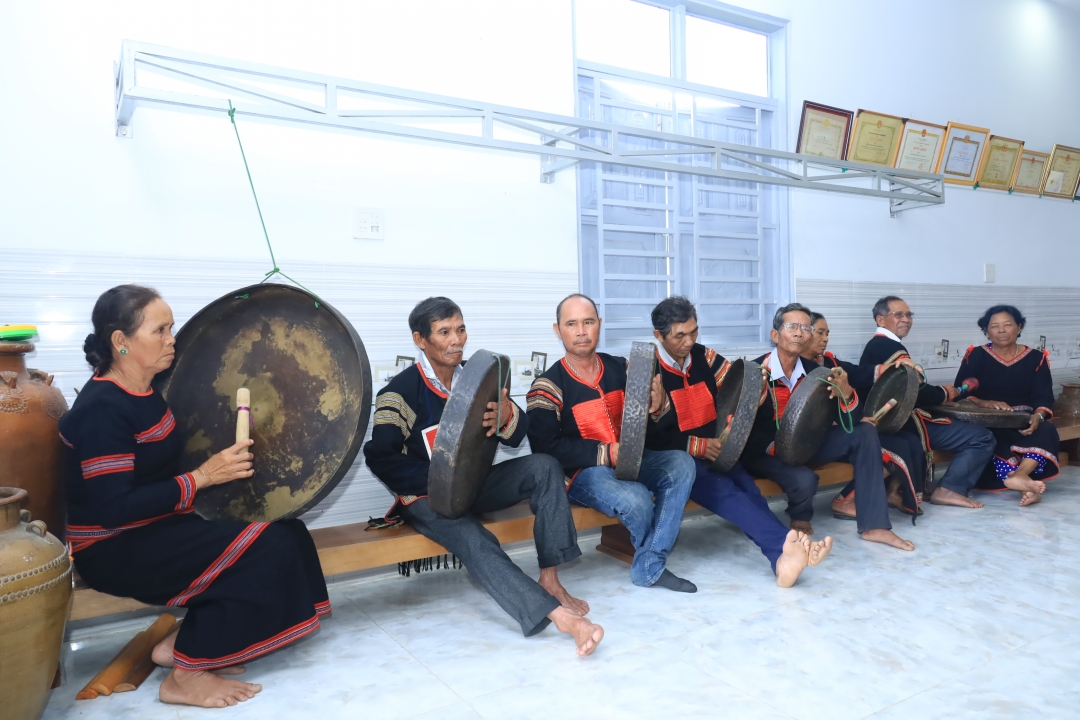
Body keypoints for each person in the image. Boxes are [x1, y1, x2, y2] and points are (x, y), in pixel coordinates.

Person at [61, 285, 329, 708]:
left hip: (156, 528)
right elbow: (114, 508)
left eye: (171, 327)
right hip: (114, 548)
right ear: (121, 342)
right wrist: (203, 477)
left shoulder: (147, 391)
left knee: (288, 530)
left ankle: (184, 645)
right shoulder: (102, 409)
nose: (173, 338)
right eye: (161, 330)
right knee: (267, 549)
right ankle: (185, 676)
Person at [363, 297, 603, 656]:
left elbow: (519, 436)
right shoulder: (398, 394)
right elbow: (379, 457)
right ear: (420, 340)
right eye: (444, 332)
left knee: (544, 466)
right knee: (474, 537)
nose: (457, 339)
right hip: (427, 497)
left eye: (460, 329)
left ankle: (550, 579)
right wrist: (440, 479)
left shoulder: (477, 380)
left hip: (474, 483)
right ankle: (561, 619)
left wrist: (507, 416)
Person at [645, 297, 832, 587]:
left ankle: (781, 561)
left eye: (694, 332)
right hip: (678, 461)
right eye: (679, 335)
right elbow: (646, 437)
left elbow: (741, 386)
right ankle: (789, 547)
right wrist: (695, 444)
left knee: (749, 490)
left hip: (716, 451)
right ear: (659, 335)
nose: (688, 341)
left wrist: (748, 402)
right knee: (726, 494)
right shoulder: (648, 370)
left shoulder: (704, 356)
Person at [527, 294, 698, 592]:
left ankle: (649, 563)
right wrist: (605, 452)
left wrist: (659, 407)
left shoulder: (622, 367)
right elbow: (544, 448)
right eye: (572, 324)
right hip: (582, 473)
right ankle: (653, 564)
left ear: (599, 325)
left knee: (682, 464)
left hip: (630, 459)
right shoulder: (547, 385)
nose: (581, 331)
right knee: (635, 499)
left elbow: (658, 430)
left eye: (588, 322)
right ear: (558, 330)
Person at [739, 303, 914, 551]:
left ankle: (875, 525)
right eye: (792, 327)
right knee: (805, 479)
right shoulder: (756, 372)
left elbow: (851, 421)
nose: (800, 333)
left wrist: (847, 393)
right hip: (768, 450)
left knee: (865, 431)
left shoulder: (820, 372)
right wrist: (779, 448)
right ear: (775, 335)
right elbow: (741, 430)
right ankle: (800, 516)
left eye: (805, 328)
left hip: (808, 444)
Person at [855, 296, 995, 509]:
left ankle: (896, 490)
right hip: (903, 423)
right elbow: (914, 391)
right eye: (899, 314)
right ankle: (950, 489)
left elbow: (902, 389)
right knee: (982, 438)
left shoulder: (880, 345)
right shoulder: (889, 347)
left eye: (909, 314)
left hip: (889, 421)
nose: (906, 319)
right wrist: (942, 394)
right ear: (881, 320)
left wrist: (940, 397)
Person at [801, 312, 924, 521]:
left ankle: (893, 493)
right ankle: (844, 500)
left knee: (909, 440)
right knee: (890, 448)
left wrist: (890, 367)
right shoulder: (794, 367)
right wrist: (852, 422)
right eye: (820, 333)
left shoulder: (828, 360)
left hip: (841, 432)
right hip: (813, 439)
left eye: (827, 333)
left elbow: (858, 373)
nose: (825, 338)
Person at [954, 305, 1059, 506]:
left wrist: (1038, 417)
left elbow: (1043, 397)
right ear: (986, 331)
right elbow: (961, 393)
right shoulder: (976, 355)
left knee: (1047, 430)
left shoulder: (1036, 358)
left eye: (1008, 325)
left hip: (1023, 419)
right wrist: (987, 403)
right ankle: (1025, 485)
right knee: (991, 435)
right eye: (994, 326)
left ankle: (1020, 476)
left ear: (1019, 328)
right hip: (987, 419)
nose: (1001, 330)